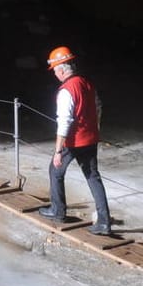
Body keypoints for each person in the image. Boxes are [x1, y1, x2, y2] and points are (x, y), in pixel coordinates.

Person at [37, 45, 113, 235]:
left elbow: (64, 122)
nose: (55, 74)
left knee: (55, 170)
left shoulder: (66, 90)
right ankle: (104, 222)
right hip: (91, 138)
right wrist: (95, 130)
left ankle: (58, 211)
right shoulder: (87, 83)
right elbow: (98, 108)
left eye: (55, 70)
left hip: (74, 141)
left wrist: (57, 151)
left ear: (62, 69)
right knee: (93, 177)